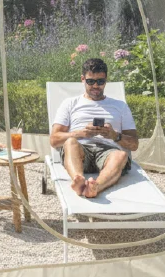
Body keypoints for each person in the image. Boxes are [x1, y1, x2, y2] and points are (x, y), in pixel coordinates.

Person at [49, 57, 138, 198]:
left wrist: (115, 135)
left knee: (121, 155)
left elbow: (134, 144)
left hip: (109, 152)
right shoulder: (70, 103)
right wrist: (81, 133)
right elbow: (54, 140)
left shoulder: (120, 106)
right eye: (90, 81)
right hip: (81, 150)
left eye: (100, 81)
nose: (96, 86)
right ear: (83, 79)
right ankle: (78, 180)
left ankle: (95, 187)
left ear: (106, 80)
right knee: (70, 142)